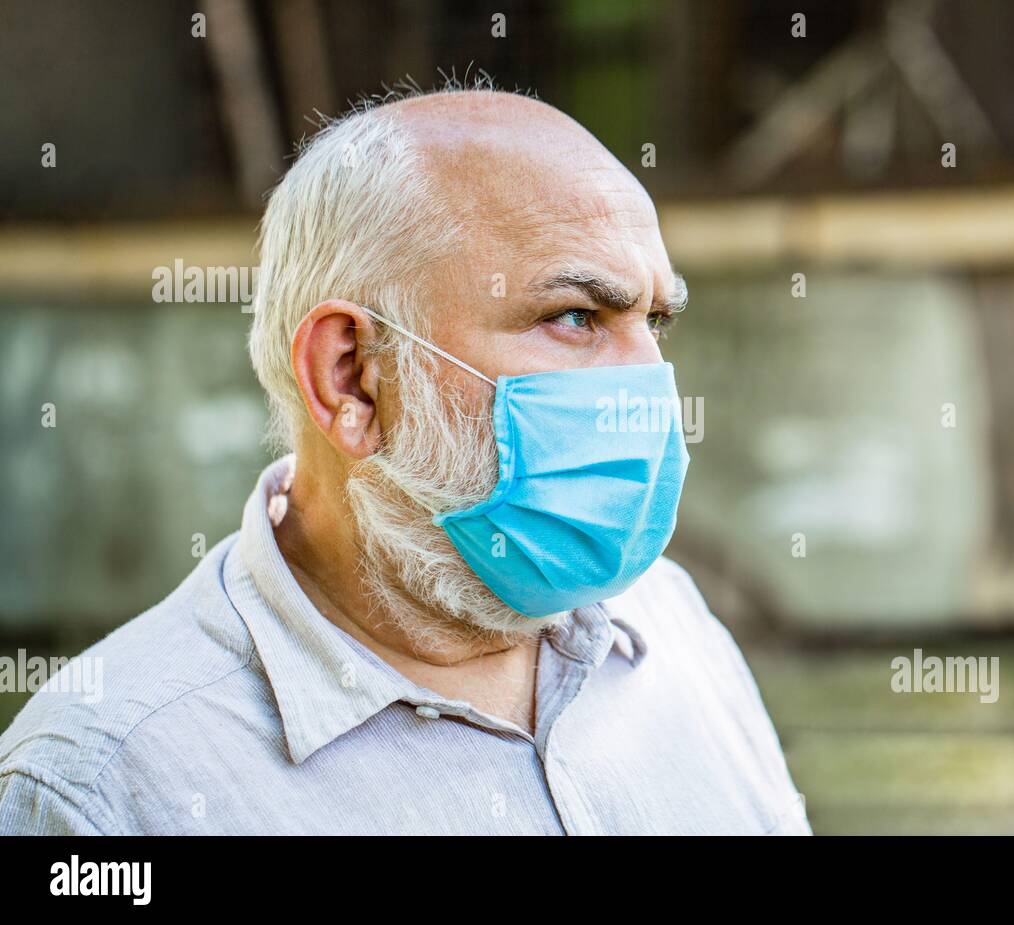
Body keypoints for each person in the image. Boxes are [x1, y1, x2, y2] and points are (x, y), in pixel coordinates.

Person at [0, 88, 811, 835]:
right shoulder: (102, 789)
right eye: (574, 316)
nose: (647, 389)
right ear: (352, 374)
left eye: (655, 321)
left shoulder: (670, 625)